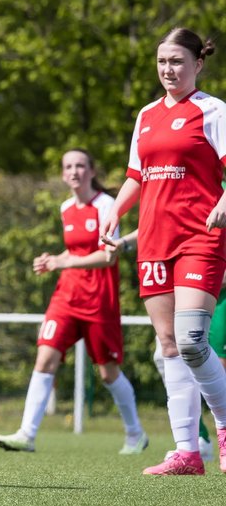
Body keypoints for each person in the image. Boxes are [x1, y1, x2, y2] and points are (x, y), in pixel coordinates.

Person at [99, 27, 226, 475]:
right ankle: (186, 452)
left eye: (176, 61)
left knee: (192, 340)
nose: (167, 70)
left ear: (198, 64)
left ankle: (225, 429)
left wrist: (224, 203)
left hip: (199, 238)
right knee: (169, 344)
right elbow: (137, 175)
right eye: (161, 62)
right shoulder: (147, 115)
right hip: (154, 239)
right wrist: (115, 211)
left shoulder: (214, 111)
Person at [0, 149, 147, 454]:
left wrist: (65, 263)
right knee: (45, 358)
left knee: (107, 372)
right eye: (68, 167)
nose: (74, 171)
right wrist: (54, 260)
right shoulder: (65, 208)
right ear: (63, 174)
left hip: (99, 299)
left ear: (91, 171)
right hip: (66, 297)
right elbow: (73, 252)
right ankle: (27, 434)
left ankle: (135, 434)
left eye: (80, 166)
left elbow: (107, 255)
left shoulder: (105, 206)